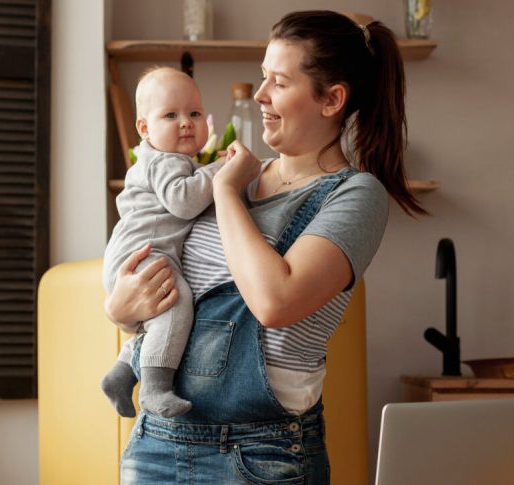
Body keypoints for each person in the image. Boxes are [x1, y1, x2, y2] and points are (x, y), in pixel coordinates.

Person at [103, 10, 426, 484]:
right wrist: (118, 307)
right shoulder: (231, 173)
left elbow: (276, 301)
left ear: (331, 99)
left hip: (261, 457)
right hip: (156, 442)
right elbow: (168, 278)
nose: (259, 96)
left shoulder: (353, 195)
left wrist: (226, 192)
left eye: (278, 82)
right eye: (261, 78)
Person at [100, 66, 222, 419]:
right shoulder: (163, 161)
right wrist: (218, 171)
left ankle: (121, 374)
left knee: (156, 319)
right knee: (177, 302)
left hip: (133, 255)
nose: (186, 122)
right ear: (144, 128)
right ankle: (155, 389)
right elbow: (183, 201)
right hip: (141, 256)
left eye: (194, 113)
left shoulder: (171, 160)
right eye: (171, 115)